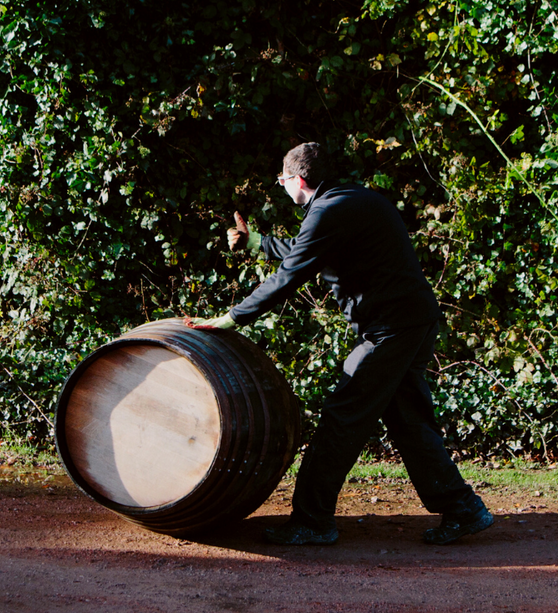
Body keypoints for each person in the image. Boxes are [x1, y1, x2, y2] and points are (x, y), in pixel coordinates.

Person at [187, 141, 492, 547]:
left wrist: (232, 317)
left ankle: (312, 521)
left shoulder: (329, 211)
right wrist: (258, 242)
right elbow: (307, 252)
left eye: (281, 180)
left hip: (389, 331)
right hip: (412, 322)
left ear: (297, 179)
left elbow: (290, 275)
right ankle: (463, 509)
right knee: (408, 419)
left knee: (341, 417)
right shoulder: (351, 200)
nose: (281, 187)